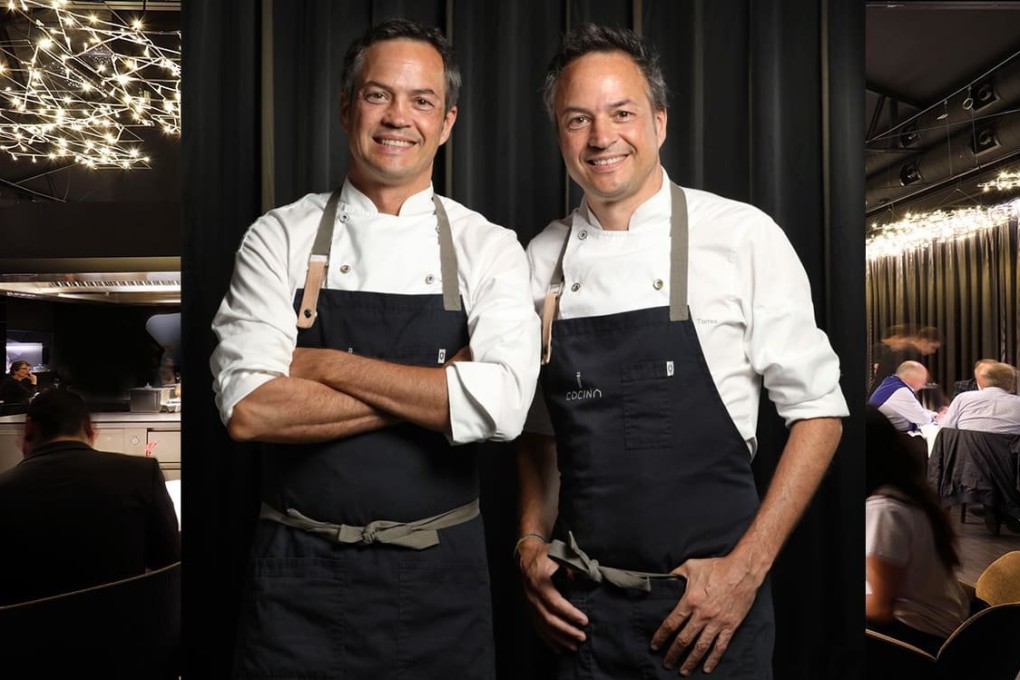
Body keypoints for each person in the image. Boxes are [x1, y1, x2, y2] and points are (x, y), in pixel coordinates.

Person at [209, 19, 540, 678]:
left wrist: (324, 365)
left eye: (421, 101)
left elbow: (502, 410)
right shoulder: (278, 237)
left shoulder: (488, 246)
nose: (398, 118)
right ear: (344, 108)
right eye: (377, 95)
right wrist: (445, 390)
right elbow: (249, 410)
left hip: (442, 582)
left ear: (446, 123)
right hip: (296, 577)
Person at [516, 25, 846, 678]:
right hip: (581, 619)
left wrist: (745, 572)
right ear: (559, 134)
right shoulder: (539, 259)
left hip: (710, 618)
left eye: (622, 113)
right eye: (577, 119)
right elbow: (542, 429)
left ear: (660, 123)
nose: (601, 137)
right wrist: (529, 538)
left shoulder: (741, 237)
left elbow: (820, 414)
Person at [0, 389, 180, 605]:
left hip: (27, 635)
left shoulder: (5, 489)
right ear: (88, 428)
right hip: (126, 629)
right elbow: (168, 562)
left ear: (29, 428)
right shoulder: (141, 473)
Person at [865, 406, 968, 655]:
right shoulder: (910, 496)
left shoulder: (885, 510)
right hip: (943, 631)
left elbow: (880, 609)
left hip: (917, 644)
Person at [939, 362, 1020, 435]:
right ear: (1011, 382)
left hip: (967, 450)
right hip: (1006, 451)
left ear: (984, 380)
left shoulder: (962, 398)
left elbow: (945, 431)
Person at [869, 360, 938, 435]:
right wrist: (935, 417)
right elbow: (924, 420)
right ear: (910, 377)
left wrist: (933, 415)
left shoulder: (891, 383)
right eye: (922, 379)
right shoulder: (901, 391)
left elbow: (914, 412)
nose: (924, 383)